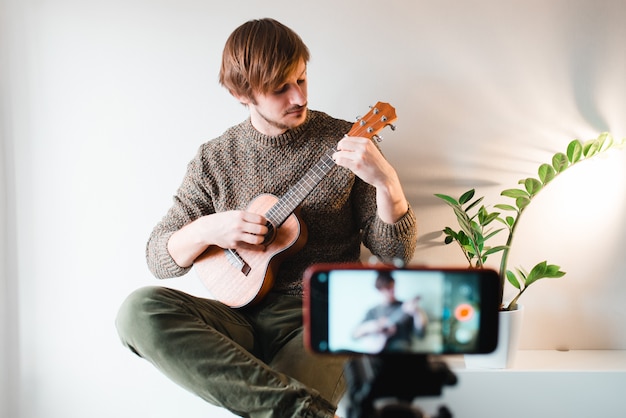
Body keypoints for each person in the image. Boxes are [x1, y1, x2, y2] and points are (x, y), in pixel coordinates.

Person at [115, 18, 417, 418]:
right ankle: (301, 411)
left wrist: (389, 185)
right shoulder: (215, 159)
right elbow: (159, 257)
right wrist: (211, 228)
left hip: (327, 314)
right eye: (280, 90)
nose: (298, 98)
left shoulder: (346, 141)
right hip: (238, 317)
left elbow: (395, 253)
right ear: (242, 94)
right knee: (138, 312)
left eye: (302, 80)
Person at [352, 272, 428, 353]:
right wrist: (375, 326)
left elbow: (421, 334)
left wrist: (417, 312)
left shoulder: (406, 307)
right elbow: (354, 335)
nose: (392, 291)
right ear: (380, 290)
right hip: (377, 354)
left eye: (393, 287)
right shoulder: (372, 311)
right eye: (388, 288)